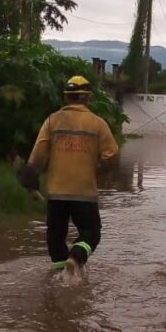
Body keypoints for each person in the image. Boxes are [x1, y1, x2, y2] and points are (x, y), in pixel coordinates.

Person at [17, 76, 119, 275]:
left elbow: (37, 158)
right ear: (86, 98)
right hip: (84, 192)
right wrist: (98, 167)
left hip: (56, 193)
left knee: (55, 238)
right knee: (92, 233)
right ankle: (76, 257)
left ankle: (57, 281)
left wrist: (30, 178)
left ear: (66, 98)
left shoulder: (52, 121)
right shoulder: (97, 123)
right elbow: (112, 155)